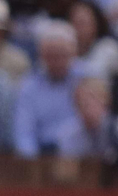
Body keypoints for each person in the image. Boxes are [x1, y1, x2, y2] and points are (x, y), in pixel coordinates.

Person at [13, 21, 82, 157]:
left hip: (81, 155)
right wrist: (32, 164)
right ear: (41, 55)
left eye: (62, 55)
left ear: (74, 53)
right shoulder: (29, 87)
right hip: (42, 156)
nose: (56, 61)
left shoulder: (86, 79)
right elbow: (24, 134)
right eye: (51, 56)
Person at [57, 73, 116, 158]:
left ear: (106, 102)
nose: (88, 104)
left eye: (94, 99)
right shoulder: (66, 135)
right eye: (83, 101)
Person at [67, 0, 118, 80]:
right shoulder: (62, 53)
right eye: (74, 22)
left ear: (96, 24)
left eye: (82, 23)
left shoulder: (109, 49)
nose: (78, 28)